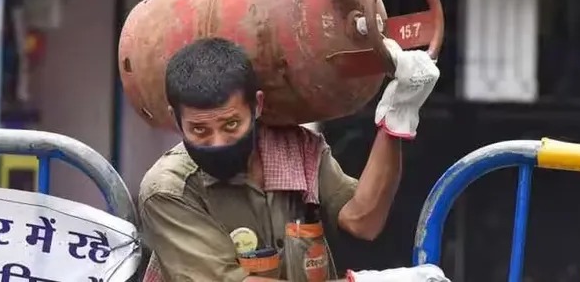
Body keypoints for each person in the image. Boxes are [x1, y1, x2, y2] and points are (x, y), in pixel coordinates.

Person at [138, 37, 443, 282]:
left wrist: (399, 117)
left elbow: (363, 221)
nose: (217, 143)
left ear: (256, 107)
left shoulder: (294, 150)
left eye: (231, 125)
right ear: (177, 122)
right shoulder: (168, 190)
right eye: (199, 130)